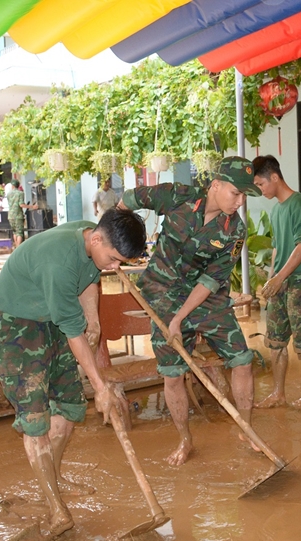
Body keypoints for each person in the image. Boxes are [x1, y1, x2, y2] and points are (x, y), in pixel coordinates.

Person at [0, 208, 147, 537]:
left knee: (68, 405)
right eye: (115, 259)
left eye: (122, 263)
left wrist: (95, 317)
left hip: (50, 316)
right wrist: (100, 386)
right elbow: (73, 332)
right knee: (35, 418)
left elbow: (89, 279)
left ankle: (55, 480)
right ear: (98, 239)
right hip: (17, 322)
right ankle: (56, 509)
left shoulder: (94, 239)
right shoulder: (58, 263)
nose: (115, 267)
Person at [117, 156, 262, 466]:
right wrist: (116, 238)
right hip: (163, 293)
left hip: (205, 297)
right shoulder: (177, 196)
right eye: (236, 193)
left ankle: (247, 429)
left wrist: (181, 318)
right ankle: (185, 440)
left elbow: (210, 281)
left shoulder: (234, 230)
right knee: (172, 374)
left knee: (243, 359)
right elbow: (130, 199)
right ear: (216, 185)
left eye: (245, 195)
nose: (241, 201)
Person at [251, 155, 301, 408]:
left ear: (274, 177)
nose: (260, 190)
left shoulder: (298, 203)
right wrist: (272, 279)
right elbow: (275, 249)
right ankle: (278, 393)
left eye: (261, 184)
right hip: (280, 284)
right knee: (275, 340)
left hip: (300, 281)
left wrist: (281, 276)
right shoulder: (276, 210)